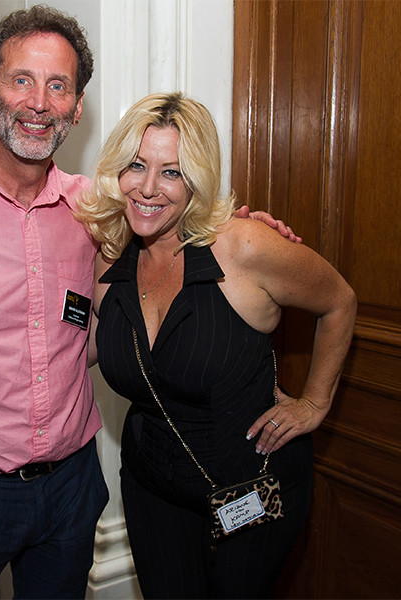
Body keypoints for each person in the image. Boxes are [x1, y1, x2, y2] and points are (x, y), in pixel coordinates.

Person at [0, 8, 298, 598]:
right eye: (22, 80)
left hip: (72, 489)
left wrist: (240, 230)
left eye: (58, 86)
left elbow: (172, 223)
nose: (39, 102)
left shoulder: (98, 210)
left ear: (76, 107)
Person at [74, 92, 357, 598]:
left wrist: (315, 402)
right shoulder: (110, 258)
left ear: (197, 180)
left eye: (172, 172)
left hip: (252, 485)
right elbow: (90, 346)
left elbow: (339, 301)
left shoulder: (244, 248)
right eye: (136, 165)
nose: (147, 187)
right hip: (152, 487)